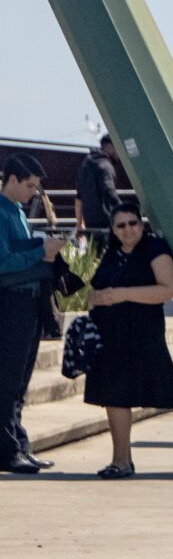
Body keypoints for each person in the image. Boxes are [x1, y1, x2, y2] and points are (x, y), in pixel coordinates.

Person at [83, 202, 173, 477]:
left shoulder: (155, 248)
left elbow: (167, 289)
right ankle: (121, 460)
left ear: (141, 223)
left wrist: (123, 294)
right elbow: (78, 287)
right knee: (113, 396)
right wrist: (96, 297)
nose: (128, 230)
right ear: (113, 229)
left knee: (120, 394)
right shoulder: (106, 250)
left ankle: (121, 462)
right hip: (108, 332)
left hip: (141, 332)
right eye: (121, 225)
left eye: (132, 223)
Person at [0, 154, 64, 474]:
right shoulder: (1, 212)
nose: (32, 194)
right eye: (29, 186)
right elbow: (3, 261)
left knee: (20, 381)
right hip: (11, 304)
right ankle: (8, 449)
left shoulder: (17, 212)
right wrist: (42, 251)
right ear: (11, 180)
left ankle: (19, 445)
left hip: (27, 303)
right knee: (8, 380)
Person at [75, 134, 121, 237]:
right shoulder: (106, 166)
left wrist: (79, 223)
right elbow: (109, 191)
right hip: (106, 224)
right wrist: (123, 209)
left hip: (90, 224)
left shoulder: (85, 165)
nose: (120, 153)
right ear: (109, 147)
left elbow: (78, 197)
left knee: (96, 252)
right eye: (118, 147)